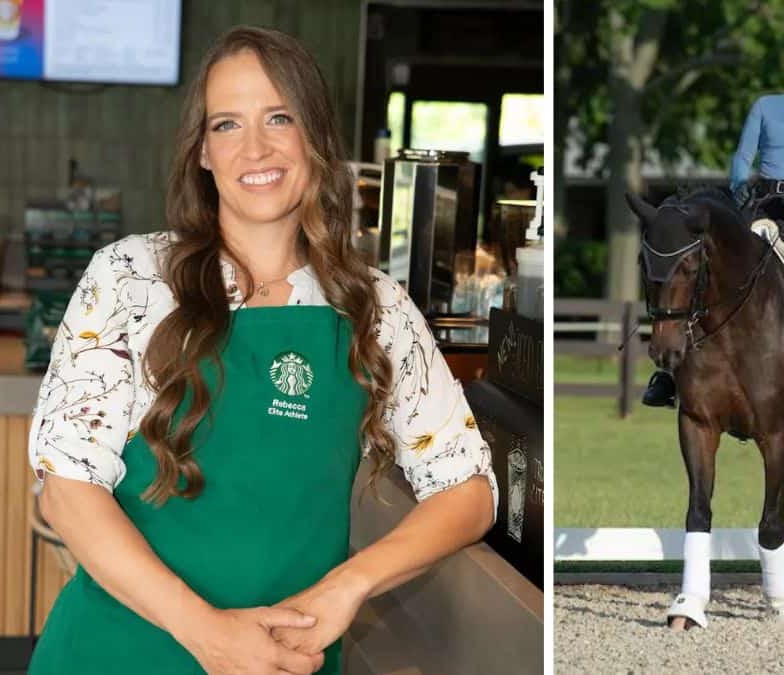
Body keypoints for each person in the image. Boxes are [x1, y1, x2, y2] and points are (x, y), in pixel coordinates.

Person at [26, 26, 496, 675]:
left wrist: (347, 586)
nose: (256, 147)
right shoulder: (129, 279)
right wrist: (210, 635)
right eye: (227, 124)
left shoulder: (376, 309)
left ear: (316, 138)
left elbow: (468, 487)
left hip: (286, 660)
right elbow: (67, 489)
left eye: (280, 117)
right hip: (117, 653)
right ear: (202, 153)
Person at [641, 24, 784, 434]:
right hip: (761, 205)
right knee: (701, 270)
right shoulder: (765, 107)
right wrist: (742, 189)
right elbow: (743, 156)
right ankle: (670, 374)